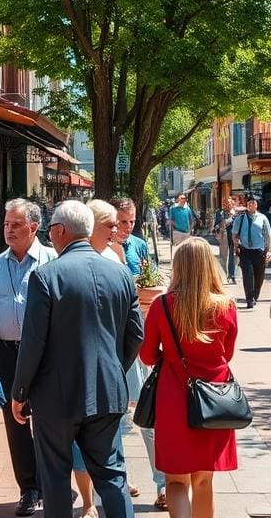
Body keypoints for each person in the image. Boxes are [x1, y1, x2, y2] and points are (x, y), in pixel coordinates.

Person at [11, 200, 144, 518]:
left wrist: (20, 392)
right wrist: (113, 369)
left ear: (58, 231)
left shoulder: (46, 276)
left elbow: (33, 343)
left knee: (55, 476)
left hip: (55, 398)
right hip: (107, 391)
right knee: (112, 477)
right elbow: (135, 335)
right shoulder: (120, 274)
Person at [138, 237, 238, 518]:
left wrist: (169, 359)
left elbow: (146, 356)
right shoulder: (226, 306)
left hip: (173, 395)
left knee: (176, 481)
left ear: (179, 267)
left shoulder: (163, 306)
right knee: (204, 481)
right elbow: (226, 355)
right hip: (214, 398)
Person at [0, 199, 56, 516]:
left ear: (33, 227)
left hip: (44, 351)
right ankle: (28, 488)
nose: (8, 230)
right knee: (15, 422)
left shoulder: (52, 260)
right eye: (6, 224)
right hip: (7, 351)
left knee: (47, 419)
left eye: (15, 224)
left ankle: (51, 483)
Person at [112, 195, 168, 509]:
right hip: (113, 342)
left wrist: (149, 293)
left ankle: (161, 484)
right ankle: (120, 478)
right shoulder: (103, 250)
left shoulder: (139, 246)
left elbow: (152, 280)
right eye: (121, 221)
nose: (126, 227)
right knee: (117, 417)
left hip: (139, 336)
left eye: (131, 221)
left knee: (148, 416)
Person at [232, 196, 271, 309]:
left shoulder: (262, 218)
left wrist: (269, 250)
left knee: (259, 276)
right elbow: (234, 234)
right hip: (245, 251)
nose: (251, 205)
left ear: (256, 205)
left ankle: (255, 296)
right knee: (248, 275)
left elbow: (268, 236)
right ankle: (249, 299)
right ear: (247, 205)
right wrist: (236, 245)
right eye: (249, 203)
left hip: (259, 251)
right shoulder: (240, 218)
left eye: (253, 203)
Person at [114, 197, 150, 277]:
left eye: (132, 221)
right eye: (123, 222)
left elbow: (150, 276)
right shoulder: (103, 245)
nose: (129, 226)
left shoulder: (140, 245)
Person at [212, 196, 237, 284]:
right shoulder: (219, 212)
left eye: (229, 203)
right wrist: (219, 226)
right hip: (224, 236)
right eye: (226, 203)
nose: (227, 205)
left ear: (233, 204)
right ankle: (225, 274)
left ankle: (232, 275)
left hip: (234, 236)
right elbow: (215, 225)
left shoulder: (236, 213)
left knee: (234, 257)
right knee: (223, 257)